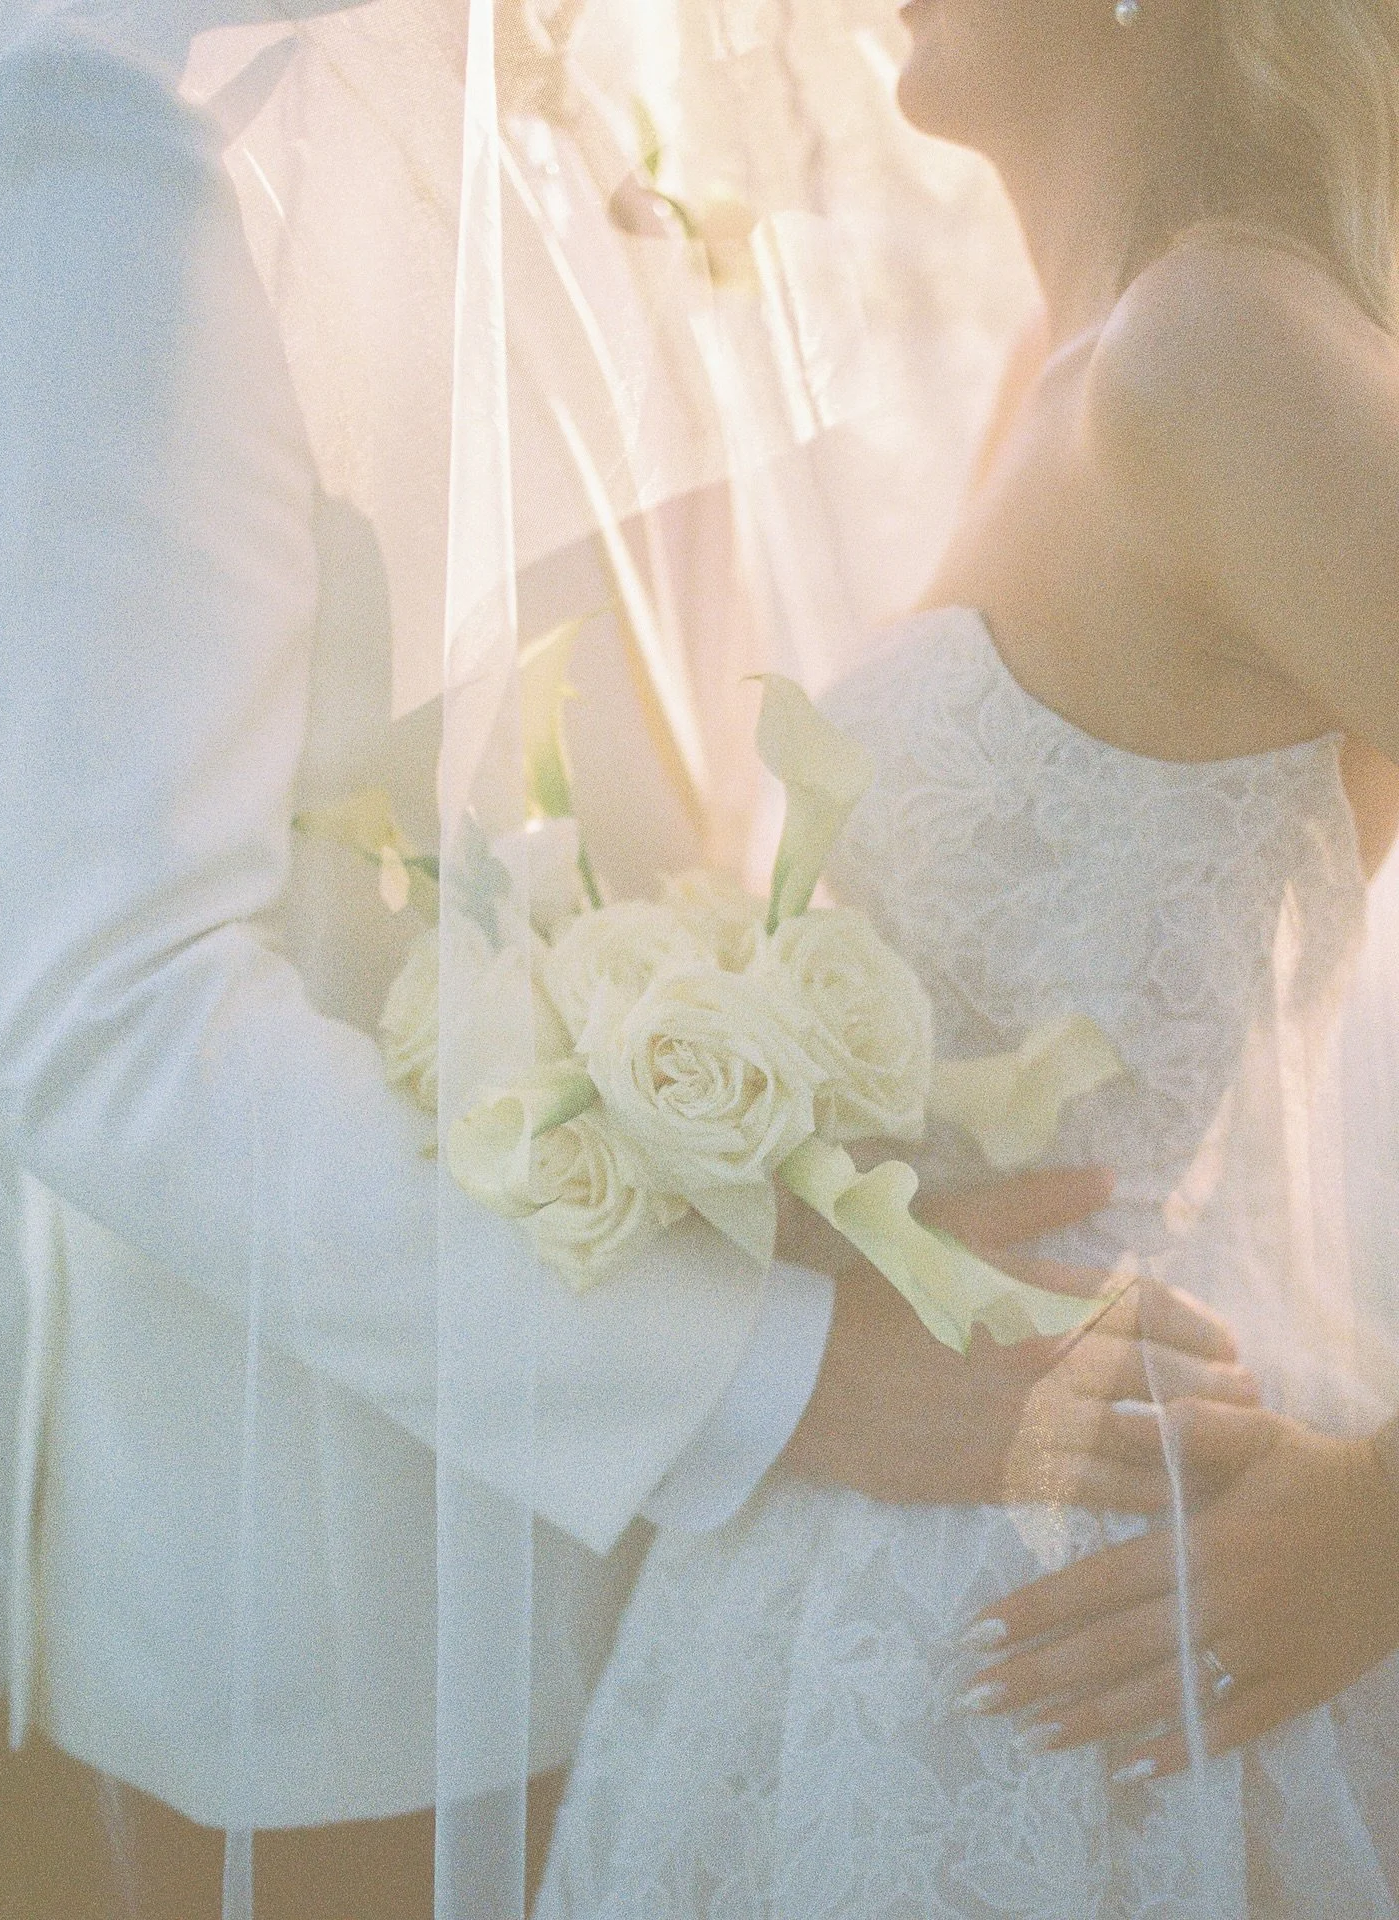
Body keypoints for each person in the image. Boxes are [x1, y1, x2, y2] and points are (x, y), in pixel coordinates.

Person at [0, 1, 1254, 1913]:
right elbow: (105, 1012)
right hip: (356, 1623)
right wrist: (794, 1380)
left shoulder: (672, 71)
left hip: (763, 1590)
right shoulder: (120, 140)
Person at [535, 1, 1399, 1913]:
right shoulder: (1068, 350)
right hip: (879, 1577)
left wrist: (1393, 1530)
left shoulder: (1214, 352)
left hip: (1137, 1602)